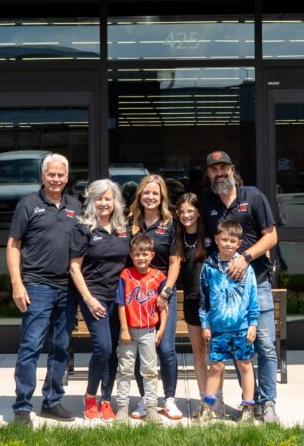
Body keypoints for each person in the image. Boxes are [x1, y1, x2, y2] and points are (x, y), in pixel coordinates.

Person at [201, 149, 280, 423]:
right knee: (239, 349)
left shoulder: (253, 197)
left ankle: (268, 402)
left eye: (223, 168)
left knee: (265, 345)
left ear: (232, 169)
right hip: (226, 293)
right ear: (208, 174)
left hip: (257, 282)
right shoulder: (207, 203)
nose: (219, 173)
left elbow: (271, 237)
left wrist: (245, 257)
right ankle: (251, 401)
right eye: (214, 169)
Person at [6, 152, 81, 425]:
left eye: (60, 175)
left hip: (67, 288)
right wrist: (17, 284)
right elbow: (13, 245)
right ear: (43, 176)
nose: (56, 179)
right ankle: (22, 406)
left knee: (61, 347)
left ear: (67, 177)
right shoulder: (28, 204)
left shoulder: (75, 206)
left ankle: (51, 402)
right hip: (37, 286)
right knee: (31, 347)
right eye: (51, 174)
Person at [69, 179, 131, 421]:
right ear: (91, 201)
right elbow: (75, 268)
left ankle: (106, 400)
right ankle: (90, 397)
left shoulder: (124, 228)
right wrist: (88, 299)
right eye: (99, 199)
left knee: (113, 350)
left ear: (116, 202)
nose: (104, 203)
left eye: (108, 198)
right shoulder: (83, 228)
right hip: (94, 297)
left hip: (119, 298)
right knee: (103, 347)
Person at [127, 173, 182, 419]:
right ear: (140, 195)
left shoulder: (171, 224)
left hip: (162, 292)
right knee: (142, 348)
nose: (150, 197)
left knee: (166, 348)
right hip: (137, 294)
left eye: (155, 193)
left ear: (162, 197)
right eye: (146, 192)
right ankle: (145, 399)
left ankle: (169, 399)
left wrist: (166, 291)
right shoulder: (130, 223)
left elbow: (175, 261)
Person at [196, 218, 260, 425]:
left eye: (233, 241)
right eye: (224, 240)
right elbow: (204, 299)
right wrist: (205, 324)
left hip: (242, 327)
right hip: (218, 328)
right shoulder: (209, 267)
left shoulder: (245, 268)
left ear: (239, 243)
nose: (228, 244)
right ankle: (207, 407)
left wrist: (253, 323)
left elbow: (252, 298)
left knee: (245, 365)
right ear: (216, 240)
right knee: (216, 366)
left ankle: (248, 409)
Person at [114, 233, 166, 423]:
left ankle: (151, 407)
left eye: (145, 254)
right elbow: (121, 304)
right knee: (125, 369)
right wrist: (124, 329)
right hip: (129, 331)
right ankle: (122, 407)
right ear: (131, 255)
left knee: (150, 371)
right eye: (137, 254)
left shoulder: (158, 277)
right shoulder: (126, 275)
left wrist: (161, 329)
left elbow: (163, 307)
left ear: (152, 255)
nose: (141, 258)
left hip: (149, 331)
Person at [175, 192, 209, 402]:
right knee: (199, 351)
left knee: (215, 354)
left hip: (213, 302)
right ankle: (204, 399)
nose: (186, 215)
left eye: (190, 211)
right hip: (191, 300)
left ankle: (217, 399)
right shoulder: (176, 237)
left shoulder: (210, 235)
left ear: (198, 212)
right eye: (182, 211)